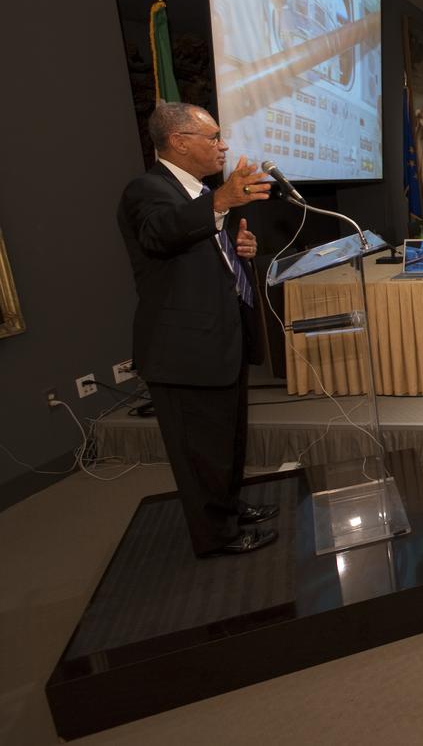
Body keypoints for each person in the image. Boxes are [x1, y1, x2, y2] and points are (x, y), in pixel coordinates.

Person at [117, 102, 277, 557]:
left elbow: (199, 256)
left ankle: (230, 507)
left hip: (219, 339)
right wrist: (224, 199)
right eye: (213, 138)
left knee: (226, 440)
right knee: (199, 453)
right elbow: (160, 234)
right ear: (179, 142)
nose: (223, 145)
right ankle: (216, 537)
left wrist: (239, 251)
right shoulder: (146, 189)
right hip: (183, 349)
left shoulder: (197, 192)